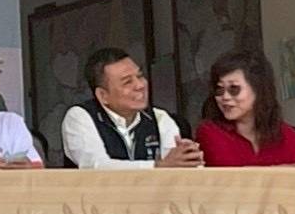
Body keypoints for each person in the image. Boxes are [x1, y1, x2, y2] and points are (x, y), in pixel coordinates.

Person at [61, 47, 202, 169]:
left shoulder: (160, 118)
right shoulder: (80, 116)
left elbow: (174, 164)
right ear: (103, 95)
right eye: (127, 82)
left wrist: (188, 159)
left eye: (140, 76)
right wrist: (158, 166)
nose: (140, 85)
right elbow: (96, 166)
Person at [196, 51, 295, 167]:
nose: (225, 97)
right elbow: (231, 177)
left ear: (259, 89)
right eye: (219, 89)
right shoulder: (209, 132)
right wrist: (292, 169)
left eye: (234, 89)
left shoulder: (289, 136)